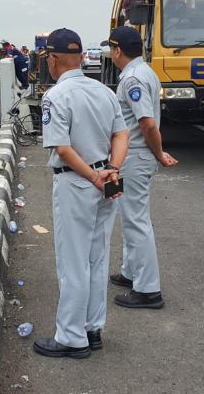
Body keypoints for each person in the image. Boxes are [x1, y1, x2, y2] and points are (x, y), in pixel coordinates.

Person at [33, 27, 129, 359]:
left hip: (77, 182)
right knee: (97, 258)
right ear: (81, 58)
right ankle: (92, 328)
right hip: (107, 178)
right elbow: (121, 135)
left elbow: (62, 147)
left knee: (73, 261)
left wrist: (92, 177)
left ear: (53, 59)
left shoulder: (55, 96)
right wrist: (111, 169)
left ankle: (71, 337)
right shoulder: (104, 91)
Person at [100, 26, 178, 309]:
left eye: (111, 49)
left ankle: (148, 290)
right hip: (131, 157)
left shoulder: (132, 79)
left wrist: (158, 153)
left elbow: (147, 123)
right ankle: (131, 272)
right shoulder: (143, 72)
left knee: (136, 221)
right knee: (129, 217)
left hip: (134, 157)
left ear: (117, 50)